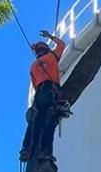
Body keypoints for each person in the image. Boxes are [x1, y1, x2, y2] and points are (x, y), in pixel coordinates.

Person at [19, 29, 67, 163]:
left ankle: (26, 148)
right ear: (45, 49)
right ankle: (45, 151)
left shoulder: (33, 66)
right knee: (50, 121)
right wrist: (50, 36)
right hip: (51, 90)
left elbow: (34, 84)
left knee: (36, 121)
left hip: (39, 93)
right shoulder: (51, 57)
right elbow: (62, 45)